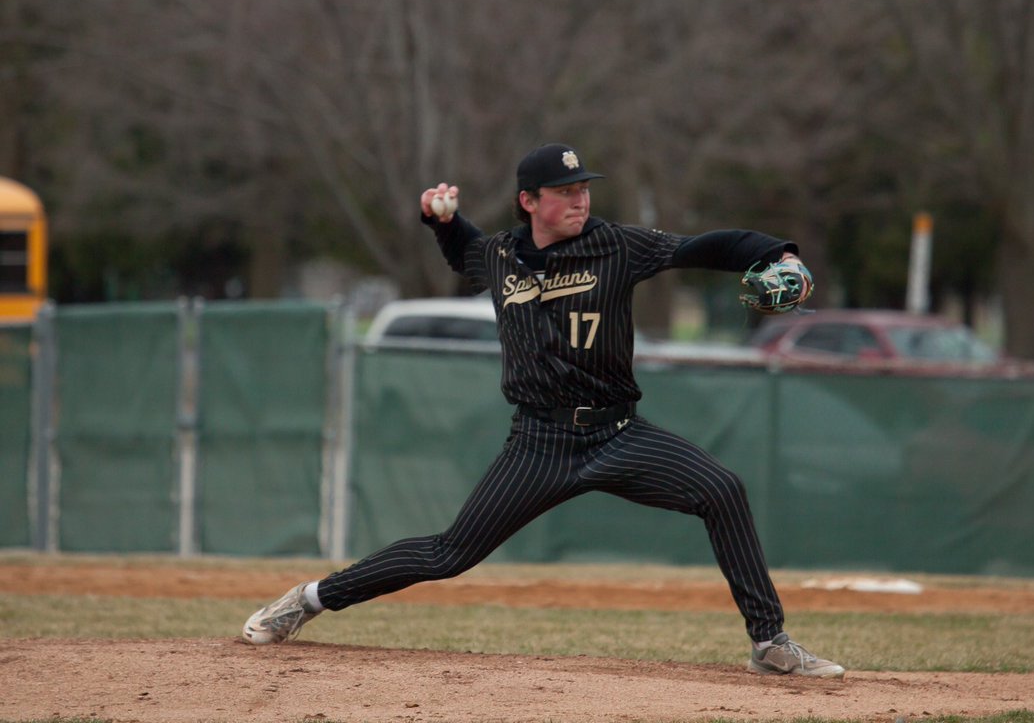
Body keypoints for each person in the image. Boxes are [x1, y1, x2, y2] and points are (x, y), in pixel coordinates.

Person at [242, 142, 844, 678]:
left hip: (618, 432)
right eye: (565, 192)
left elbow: (707, 246)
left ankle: (769, 643)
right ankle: (310, 599)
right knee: (448, 554)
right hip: (539, 445)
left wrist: (779, 254)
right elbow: (466, 254)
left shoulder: (616, 245)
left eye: (583, 189)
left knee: (723, 489)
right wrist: (438, 220)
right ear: (528, 201)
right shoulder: (502, 255)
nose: (580, 200)